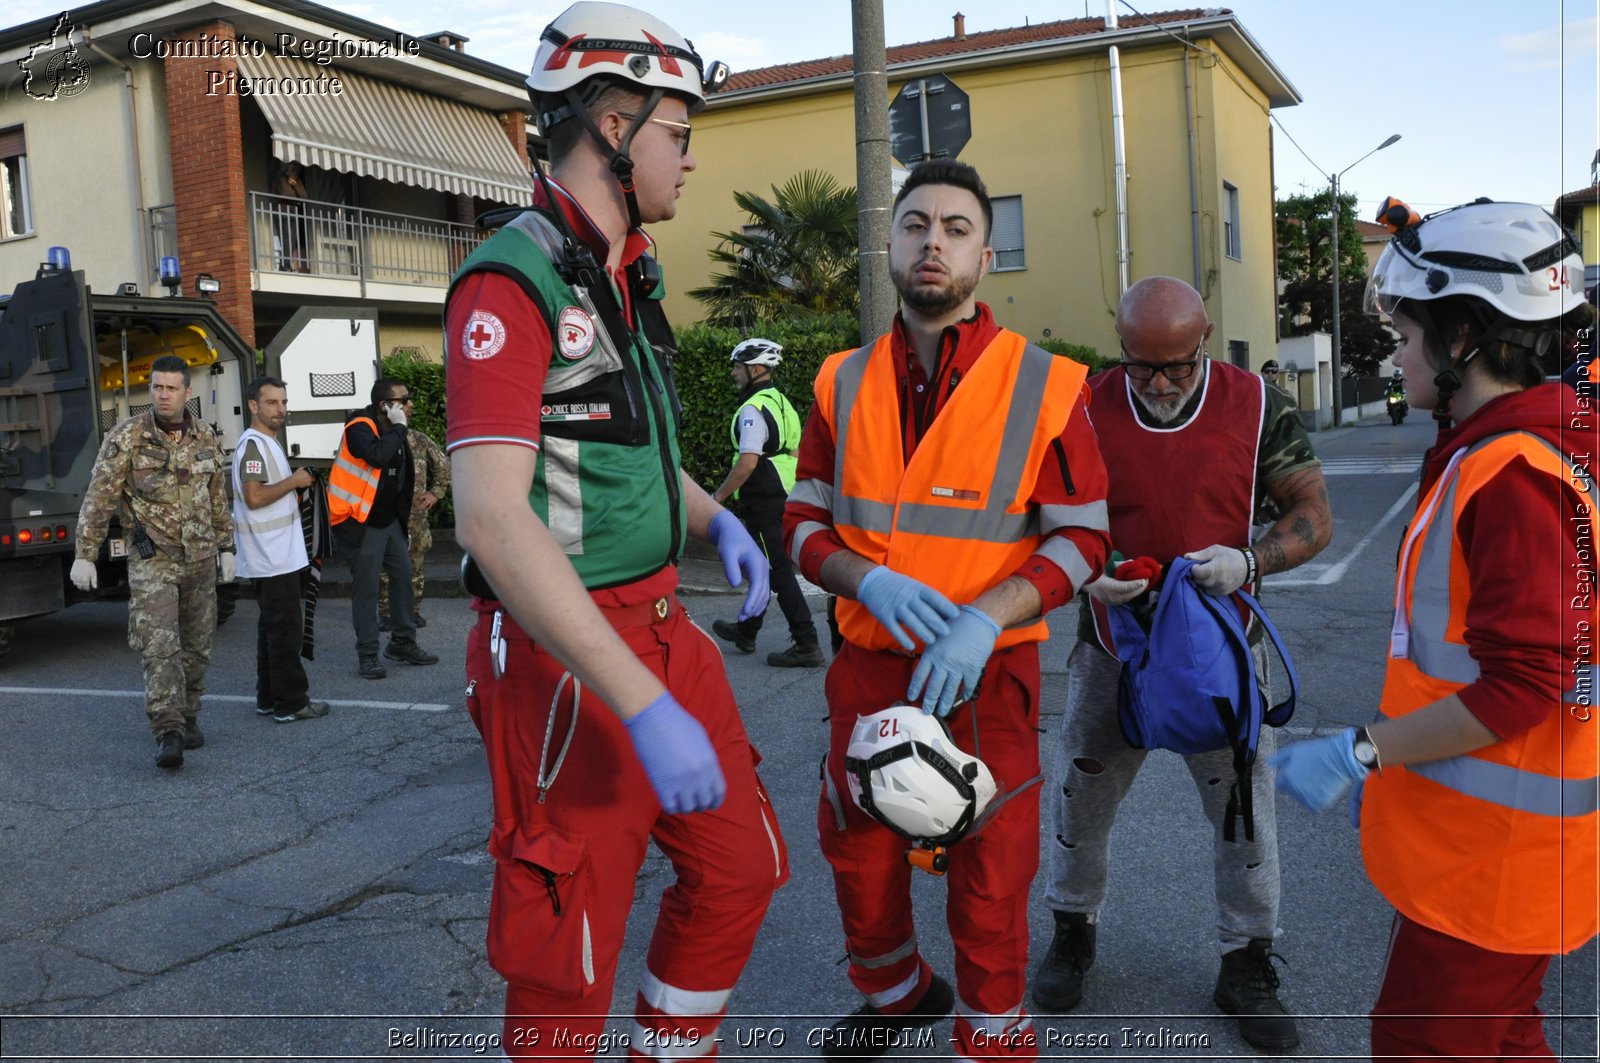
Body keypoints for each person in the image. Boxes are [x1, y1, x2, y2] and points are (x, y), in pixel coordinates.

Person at [443, 4, 787, 1056]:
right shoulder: (512, 279)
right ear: (609, 124)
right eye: (677, 133)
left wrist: (712, 512)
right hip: (569, 656)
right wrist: (639, 703)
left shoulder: (623, 267)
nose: (689, 157)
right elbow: (495, 521)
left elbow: (620, 443)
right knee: (564, 955)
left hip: (662, 627)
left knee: (741, 867)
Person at [783, 158, 1112, 1061]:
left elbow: (1085, 541)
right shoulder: (837, 381)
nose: (934, 242)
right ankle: (896, 994)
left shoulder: (1050, 384)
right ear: (888, 245)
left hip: (986, 668)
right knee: (859, 848)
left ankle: (992, 1034)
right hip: (868, 660)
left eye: (956, 228)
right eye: (916, 224)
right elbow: (803, 522)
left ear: (986, 255)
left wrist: (984, 618)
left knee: (991, 867)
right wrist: (866, 580)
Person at [1271, 197, 1598, 1060]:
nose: (1395, 348)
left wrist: (1363, 750)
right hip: (1513, 855)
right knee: (1509, 1040)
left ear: (1465, 339)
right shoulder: (1542, 449)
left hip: (1490, 867)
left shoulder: (1512, 477)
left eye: (1408, 331)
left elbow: (1528, 684)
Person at [1032, 276, 1332, 1052]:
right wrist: (1083, 572)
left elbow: (1311, 512)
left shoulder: (1256, 404)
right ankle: (1072, 930)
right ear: (1120, 350)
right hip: (1113, 643)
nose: (1160, 384)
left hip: (1222, 649)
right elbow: (1036, 513)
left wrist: (1251, 558)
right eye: (1142, 367)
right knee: (1081, 793)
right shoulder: (1085, 406)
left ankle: (1247, 958)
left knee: (1244, 806)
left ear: (1204, 343)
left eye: (1178, 366)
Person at [72, 355, 236, 769]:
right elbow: (100, 497)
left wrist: (227, 548)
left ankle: (190, 715)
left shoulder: (205, 437)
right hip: (154, 561)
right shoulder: (128, 436)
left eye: (171, 388)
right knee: (159, 646)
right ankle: (168, 730)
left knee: (197, 647)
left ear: (187, 392)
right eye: (157, 388)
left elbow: (217, 498)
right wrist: (85, 554)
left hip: (200, 557)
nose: (163, 395)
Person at [709, 338, 824, 667]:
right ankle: (747, 630)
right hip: (786, 493)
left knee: (777, 571)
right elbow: (796, 453)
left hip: (764, 498)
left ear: (755, 368)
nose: (734, 372)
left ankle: (806, 643)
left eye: (737, 366)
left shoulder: (752, 408)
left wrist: (716, 498)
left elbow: (747, 462)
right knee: (765, 562)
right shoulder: (781, 402)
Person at [232, 376, 329, 724]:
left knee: (272, 630)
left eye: (284, 402)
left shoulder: (266, 443)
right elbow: (255, 497)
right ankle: (292, 703)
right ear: (254, 406)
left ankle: (269, 699)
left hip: (275, 555)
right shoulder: (254, 445)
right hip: (270, 558)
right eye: (272, 403)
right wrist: (296, 481)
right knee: (285, 631)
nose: (281, 410)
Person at [328, 377, 437, 679]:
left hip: (388, 522)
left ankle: (402, 641)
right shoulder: (359, 426)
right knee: (367, 589)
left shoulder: (394, 429)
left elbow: (401, 479)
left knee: (403, 576)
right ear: (384, 405)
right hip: (360, 523)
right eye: (404, 400)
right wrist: (400, 427)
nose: (410, 404)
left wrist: (401, 523)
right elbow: (376, 456)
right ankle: (368, 654)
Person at [378, 416, 449, 631]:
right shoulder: (375, 440)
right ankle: (386, 614)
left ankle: (414, 611)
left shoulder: (419, 439)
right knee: (383, 569)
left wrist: (436, 493)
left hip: (415, 516)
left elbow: (443, 465)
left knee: (415, 567)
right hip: (384, 516)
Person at [272, 160, 310, 273]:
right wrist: (296, 201)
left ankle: (288, 264)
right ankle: (285, 265)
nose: (295, 173)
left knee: (292, 238)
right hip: (282, 212)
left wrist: (295, 185)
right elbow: (286, 195)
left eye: (296, 170)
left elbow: (304, 197)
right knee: (286, 237)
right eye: (293, 170)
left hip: (293, 213)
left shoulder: (297, 182)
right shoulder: (281, 179)